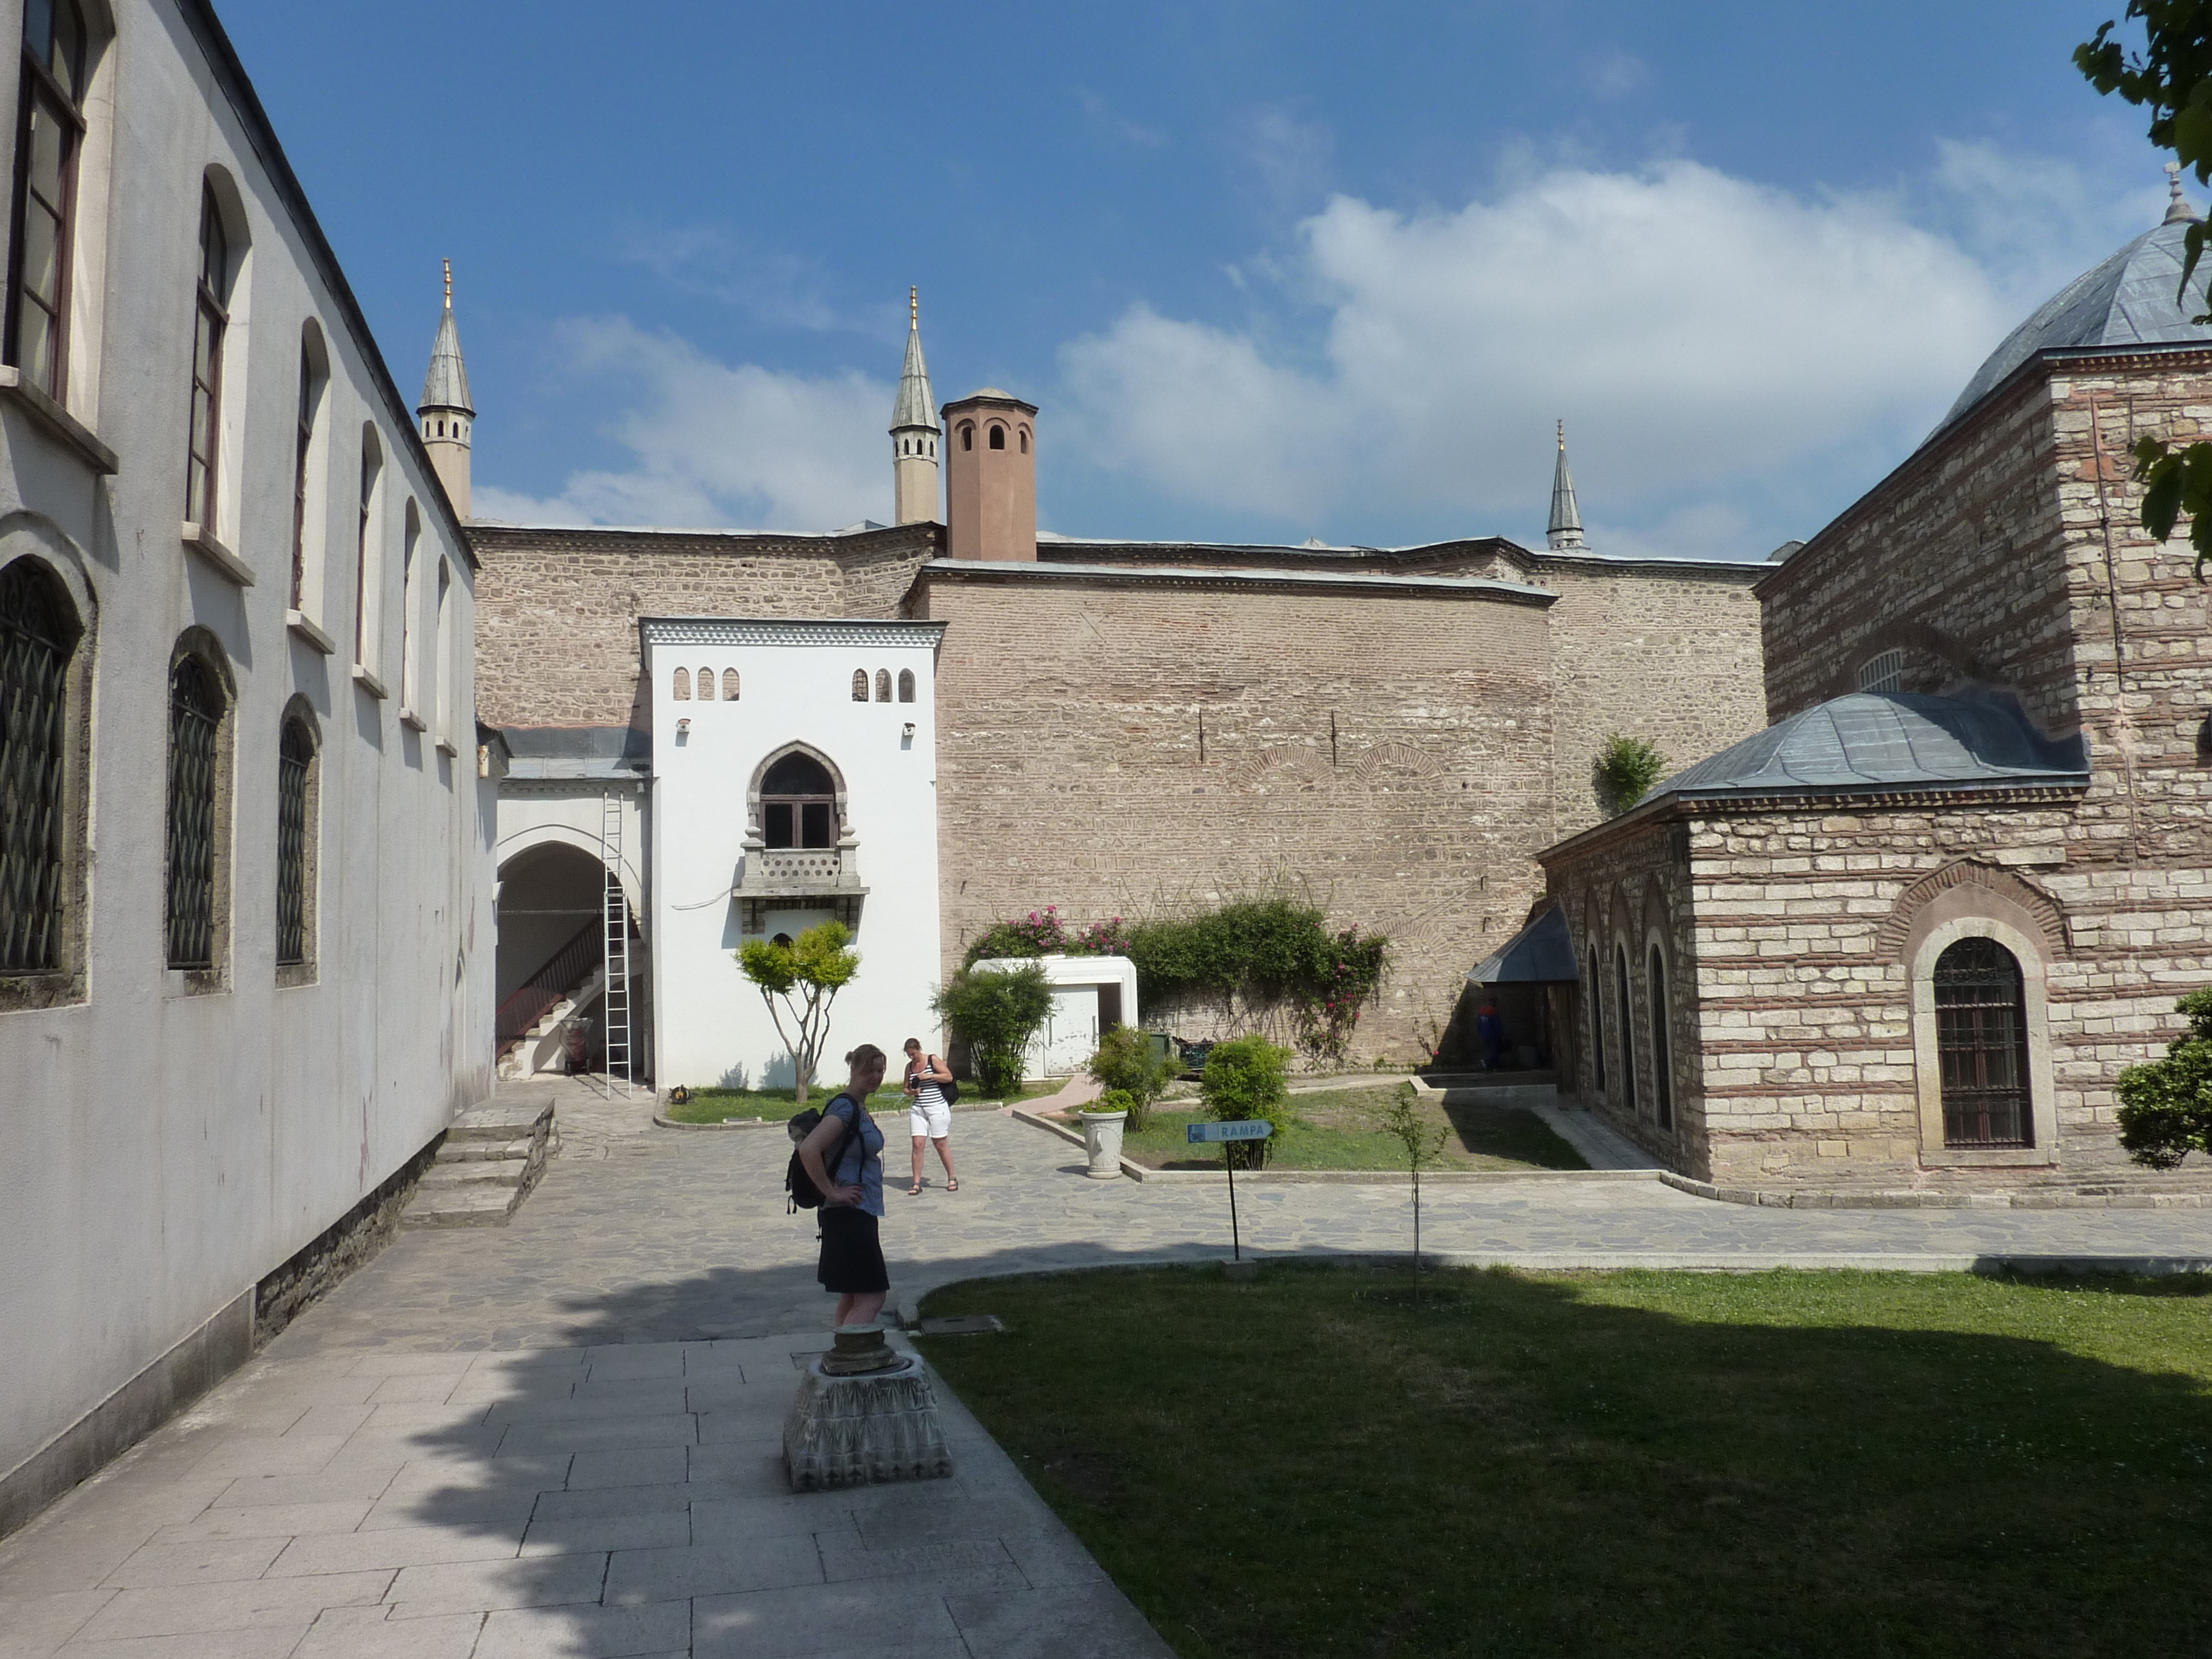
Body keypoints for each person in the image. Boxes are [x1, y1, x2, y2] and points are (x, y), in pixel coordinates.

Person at [796, 1044, 890, 1327]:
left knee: (851, 1296)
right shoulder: (844, 1108)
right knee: (873, 1296)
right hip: (849, 1213)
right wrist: (831, 1190)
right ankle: (851, 1359)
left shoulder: (857, 1107)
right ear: (853, 1070)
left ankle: (839, 1356)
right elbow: (809, 1149)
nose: (876, 1077)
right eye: (869, 1071)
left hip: (856, 1211)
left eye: (880, 1071)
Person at [901, 1037, 959, 1196]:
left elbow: (948, 1077)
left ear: (919, 1049)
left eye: (914, 1054)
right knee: (917, 1144)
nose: (912, 1057)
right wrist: (911, 1092)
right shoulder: (909, 1067)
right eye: (909, 1055)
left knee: (940, 1144)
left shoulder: (932, 1060)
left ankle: (952, 1177)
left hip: (937, 1107)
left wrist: (930, 1076)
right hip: (918, 1108)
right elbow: (905, 1088)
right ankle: (916, 1182)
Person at [1476, 999, 1505, 1072]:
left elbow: (1479, 1024)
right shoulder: (1493, 1011)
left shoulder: (1482, 1011)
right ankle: (1486, 1061)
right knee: (1495, 1051)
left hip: (1484, 1034)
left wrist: (1481, 1033)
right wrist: (1501, 1034)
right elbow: (1497, 1025)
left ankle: (1495, 1067)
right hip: (1493, 1034)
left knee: (1491, 1050)